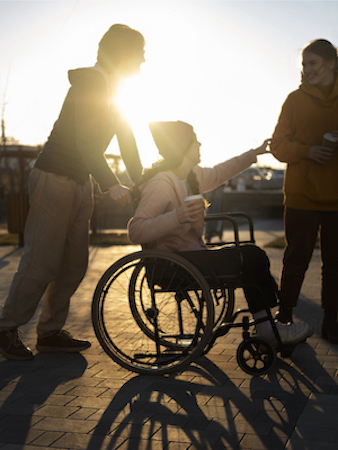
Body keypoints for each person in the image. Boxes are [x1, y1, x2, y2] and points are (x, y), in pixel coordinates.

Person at [0, 24, 146, 360]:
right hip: (55, 176)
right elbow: (86, 141)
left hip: (81, 182)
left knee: (73, 265)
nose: (142, 61)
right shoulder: (92, 82)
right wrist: (111, 183)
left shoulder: (116, 90)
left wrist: (142, 180)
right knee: (42, 261)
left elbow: (127, 139)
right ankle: (6, 328)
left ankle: (50, 332)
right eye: (139, 53)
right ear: (121, 53)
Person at [128, 120, 313, 345]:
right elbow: (136, 230)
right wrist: (179, 216)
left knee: (254, 255)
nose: (200, 144)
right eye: (194, 140)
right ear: (182, 147)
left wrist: (254, 153)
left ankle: (270, 325)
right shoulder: (161, 184)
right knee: (251, 257)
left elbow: (221, 172)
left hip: (192, 257)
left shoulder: (191, 176)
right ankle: (268, 329)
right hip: (175, 264)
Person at [271, 39, 338, 343]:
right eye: (304, 64)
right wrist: (308, 150)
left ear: (331, 63)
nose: (307, 69)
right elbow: (278, 146)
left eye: (313, 63)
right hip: (300, 196)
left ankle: (332, 322)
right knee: (295, 259)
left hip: (336, 198)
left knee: (335, 264)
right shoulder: (294, 100)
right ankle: (284, 319)